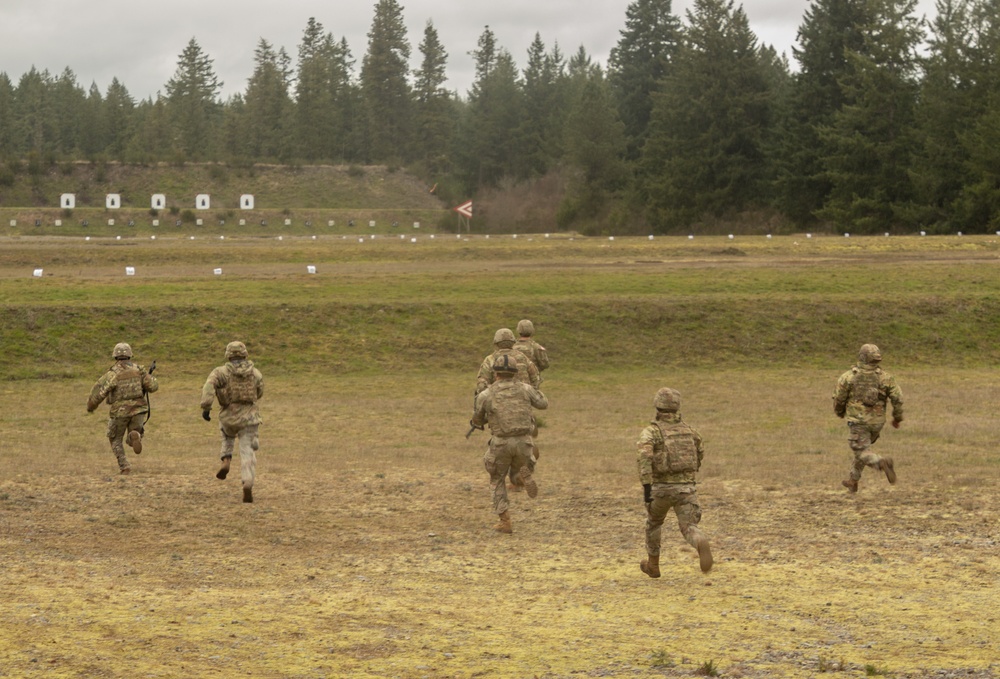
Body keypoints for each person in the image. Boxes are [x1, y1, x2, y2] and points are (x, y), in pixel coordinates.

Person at [636, 387, 713, 577]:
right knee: (688, 527)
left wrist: (647, 488)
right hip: (686, 489)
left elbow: (644, 459)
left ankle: (653, 564)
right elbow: (700, 455)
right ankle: (699, 541)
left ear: (657, 407)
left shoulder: (651, 432)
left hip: (660, 489)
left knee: (654, 522)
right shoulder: (691, 432)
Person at [470, 354, 548, 534]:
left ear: (495, 373)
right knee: (522, 461)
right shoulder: (525, 389)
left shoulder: (487, 394)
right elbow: (543, 403)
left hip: (500, 443)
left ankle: (505, 521)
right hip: (524, 441)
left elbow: (478, 420)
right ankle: (523, 474)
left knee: (497, 479)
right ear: (515, 373)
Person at [833, 343, 903, 493]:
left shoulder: (848, 377)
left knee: (861, 451)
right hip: (877, 423)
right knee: (864, 450)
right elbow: (898, 398)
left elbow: (839, 399)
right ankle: (853, 481)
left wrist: (839, 412)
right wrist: (897, 418)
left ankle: (882, 463)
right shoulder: (886, 378)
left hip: (859, 422)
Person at [201, 341, 264, 503]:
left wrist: (206, 407)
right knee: (247, 450)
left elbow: (209, 387)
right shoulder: (255, 373)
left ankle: (226, 459)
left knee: (227, 436)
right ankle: (247, 480)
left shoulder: (220, 372)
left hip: (228, 416)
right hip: (249, 418)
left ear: (228, 355)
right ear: (245, 354)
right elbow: (260, 392)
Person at [86, 342, 158, 475]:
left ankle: (124, 466)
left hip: (120, 412)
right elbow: (153, 386)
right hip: (139, 410)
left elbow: (100, 391)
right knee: (133, 437)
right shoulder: (139, 370)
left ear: (115, 356)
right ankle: (134, 435)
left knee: (115, 439)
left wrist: (91, 406)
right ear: (130, 355)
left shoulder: (112, 373)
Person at [475, 328, 540, 395]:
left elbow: (481, 385)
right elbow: (535, 378)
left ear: (496, 342)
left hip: (498, 401)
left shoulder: (490, 359)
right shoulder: (523, 357)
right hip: (522, 400)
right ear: (513, 341)